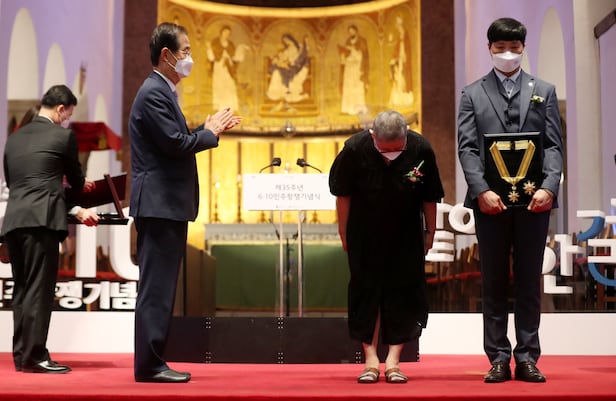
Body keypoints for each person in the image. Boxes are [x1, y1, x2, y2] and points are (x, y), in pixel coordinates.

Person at [129, 22, 241, 383]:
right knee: (156, 289)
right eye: (186, 51)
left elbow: (174, 140)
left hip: (165, 205)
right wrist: (208, 134)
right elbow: (175, 144)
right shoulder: (153, 93)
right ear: (166, 55)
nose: (190, 58)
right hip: (159, 204)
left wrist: (203, 131)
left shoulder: (163, 91)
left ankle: (153, 361)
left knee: (161, 288)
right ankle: (149, 366)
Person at [457, 17, 563, 383]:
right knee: (494, 281)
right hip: (491, 202)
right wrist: (481, 190)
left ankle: (528, 356)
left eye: (514, 48)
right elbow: (468, 148)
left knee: (529, 279)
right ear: (489, 48)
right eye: (500, 47)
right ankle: (498, 357)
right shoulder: (472, 94)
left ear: (523, 48)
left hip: (535, 201)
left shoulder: (543, 90)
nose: (507, 53)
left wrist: (550, 186)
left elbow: (553, 145)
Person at [329, 110, 444, 384]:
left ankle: (393, 361)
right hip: (364, 234)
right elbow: (342, 195)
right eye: (385, 149)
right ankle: (370, 360)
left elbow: (430, 196)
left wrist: (430, 231)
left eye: (397, 149)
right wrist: (343, 233)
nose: (391, 155)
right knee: (366, 293)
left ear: (407, 135)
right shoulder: (354, 149)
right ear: (372, 136)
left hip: (406, 235)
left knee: (402, 293)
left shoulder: (420, 149)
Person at [1, 84, 99, 374]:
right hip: (42, 221)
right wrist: (80, 187)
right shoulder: (62, 136)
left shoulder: (14, 139)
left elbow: (15, 182)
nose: (67, 120)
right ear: (60, 109)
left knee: (22, 289)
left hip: (14, 221)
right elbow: (76, 180)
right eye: (68, 114)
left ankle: (22, 355)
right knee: (39, 290)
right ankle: (35, 357)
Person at [206, 25, 249, 112]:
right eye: (225, 32)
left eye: (228, 33)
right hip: (219, 67)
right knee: (219, 86)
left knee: (229, 85)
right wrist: (209, 49)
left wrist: (238, 52)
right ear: (221, 32)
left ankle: (230, 106)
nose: (226, 34)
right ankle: (219, 107)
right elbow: (211, 57)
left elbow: (234, 58)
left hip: (228, 68)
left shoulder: (231, 45)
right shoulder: (215, 42)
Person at [266, 33, 310, 111]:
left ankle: (284, 92)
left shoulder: (298, 48)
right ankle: (277, 92)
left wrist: (287, 62)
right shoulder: (287, 50)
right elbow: (282, 57)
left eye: (287, 40)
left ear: (291, 39)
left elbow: (300, 59)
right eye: (284, 41)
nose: (286, 42)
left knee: (278, 72)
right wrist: (278, 59)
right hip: (288, 67)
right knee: (276, 72)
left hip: (295, 68)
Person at [338, 24, 369, 115]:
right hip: (349, 68)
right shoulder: (348, 41)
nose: (351, 33)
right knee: (348, 88)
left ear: (356, 31)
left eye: (352, 31)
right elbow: (346, 54)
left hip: (357, 68)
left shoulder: (362, 41)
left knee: (357, 88)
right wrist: (343, 57)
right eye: (349, 32)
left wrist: (353, 50)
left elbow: (363, 56)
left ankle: (359, 109)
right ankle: (347, 108)